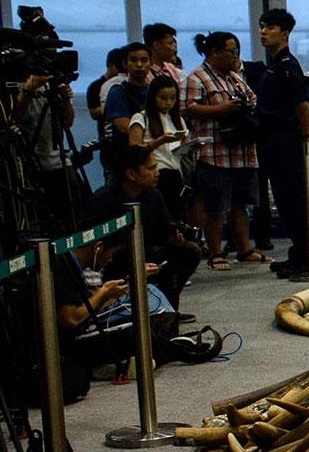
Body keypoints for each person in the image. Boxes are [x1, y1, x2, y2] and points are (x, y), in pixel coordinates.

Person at [182, 30, 263, 270]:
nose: (235, 56)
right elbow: (187, 109)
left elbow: (252, 100)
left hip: (242, 151)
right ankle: (216, 252)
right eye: (231, 52)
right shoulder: (196, 77)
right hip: (213, 152)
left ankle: (244, 249)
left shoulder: (234, 78)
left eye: (237, 51)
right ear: (214, 52)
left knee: (241, 204)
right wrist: (221, 110)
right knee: (216, 206)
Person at [91, 143, 200, 308]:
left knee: (189, 251)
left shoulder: (153, 195)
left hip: (146, 251)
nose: (157, 173)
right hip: (113, 259)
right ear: (131, 174)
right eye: (151, 169)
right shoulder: (102, 200)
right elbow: (97, 249)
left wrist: (175, 237)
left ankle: (167, 308)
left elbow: (163, 229)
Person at [254, 7, 309, 278]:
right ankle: (298, 253)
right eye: (262, 26)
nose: (264, 32)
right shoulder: (275, 66)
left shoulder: (287, 67)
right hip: (271, 141)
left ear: (285, 33)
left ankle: (304, 257)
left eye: (271, 27)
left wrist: (302, 136)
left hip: (284, 141)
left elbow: (302, 106)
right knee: (285, 200)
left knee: (292, 201)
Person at [15, 70, 85, 233]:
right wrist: (29, 90)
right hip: (31, 164)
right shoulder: (20, 83)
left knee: (74, 216)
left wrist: (66, 99)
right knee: (44, 221)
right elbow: (13, 118)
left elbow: (68, 122)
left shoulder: (54, 84)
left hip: (60, 160)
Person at [128, 75, 196, 219]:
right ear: (153, 97)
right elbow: (133, 150)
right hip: (157, 175)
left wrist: (190, 146)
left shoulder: (178, 120)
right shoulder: (141, 117)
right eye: (163, 98)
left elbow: (181, 150)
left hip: (177, 173)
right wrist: (160, 141)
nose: (168, 103)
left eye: (173, 98)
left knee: (178, 213)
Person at [101, 41, 152, 142]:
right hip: (126, 151)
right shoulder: (117, 92)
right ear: (125, 64)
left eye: (144, 60)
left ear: (151, 63)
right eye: (133, 60)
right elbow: (124, 127)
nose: (139, 64)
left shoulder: (153, 90)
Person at [86, 45, 126, 142]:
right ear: (110, 65)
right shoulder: (96, 86)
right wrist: (114, 103)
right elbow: (94, 113)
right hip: (107, 135)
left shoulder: (126, 82)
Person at [142, 21, 182, 85]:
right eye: (170, 43)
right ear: (156, 45)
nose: (174, 47)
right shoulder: (143, 73)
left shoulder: (171, 68)